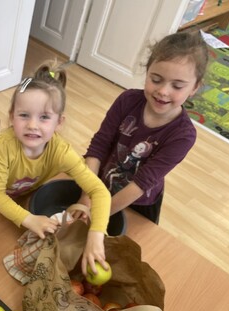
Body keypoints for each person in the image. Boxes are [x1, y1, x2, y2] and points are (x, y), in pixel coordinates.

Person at [0, 61, 112, 275]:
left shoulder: (61, 151)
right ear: (12, 116)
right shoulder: (4, 145)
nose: (33, 125)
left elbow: (99, 191)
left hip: (16, 194)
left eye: (44, 117)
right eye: (24, 115)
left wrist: (96, 235)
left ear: (59, 122)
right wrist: (29, 219)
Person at [78, 31, 209, 224]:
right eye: (156, 80)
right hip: (100, 185)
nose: (163, 91)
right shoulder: (127, 100)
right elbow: (99, 146)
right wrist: (86, 194)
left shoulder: (183, 135)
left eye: (177, 86)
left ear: (195, 87)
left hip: (137, 204)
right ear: (147, 72)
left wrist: (99, 218)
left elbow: (142, 182)